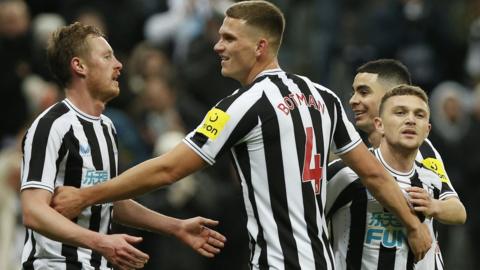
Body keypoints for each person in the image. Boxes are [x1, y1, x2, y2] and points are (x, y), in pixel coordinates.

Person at [52, 2, 431, 269]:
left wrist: (86, 195)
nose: (218, 46)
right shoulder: (324, 97)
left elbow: (168, 170)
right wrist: (413, 227)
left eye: (229, 39)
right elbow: (374, 174)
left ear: (260, 47)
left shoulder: (242, 104)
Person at [20, 22, 226, 270]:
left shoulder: (106, 126)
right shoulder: (52, 126)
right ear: (79, 66)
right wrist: (101, 242)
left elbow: (108, 201)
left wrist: (176, 227)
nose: (119, 65)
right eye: (107, 57)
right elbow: (33, 211)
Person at [326, 85, 466, 270]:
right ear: (379, 125)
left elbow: (459, 213)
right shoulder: (345, 173)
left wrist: (434, 206)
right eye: (400, 113)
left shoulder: (430, 177)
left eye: (419, 115)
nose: (410, 120)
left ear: (427, 130)